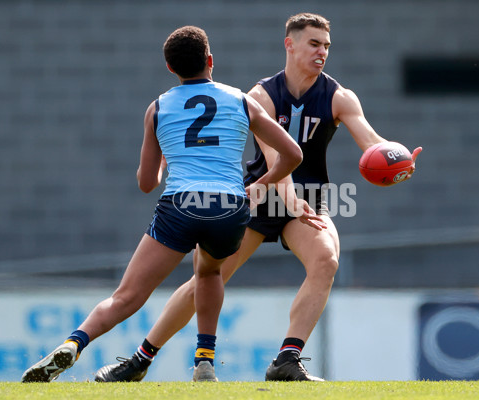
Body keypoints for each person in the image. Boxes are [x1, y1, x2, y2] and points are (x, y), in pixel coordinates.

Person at [94, 13, 422, 383]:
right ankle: (140, 359)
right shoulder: (261, 95)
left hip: (307, 198)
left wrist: (399, 159)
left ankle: (287, 358)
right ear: (290, 44)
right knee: (205, 280)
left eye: (327, 45)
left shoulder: (339, 97)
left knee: (326, 260)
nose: (322, 52)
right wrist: (291, 199)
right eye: (314, 44)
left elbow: (371, 143)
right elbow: (273, 159)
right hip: (256, 195)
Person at [21, 25, 304, 383]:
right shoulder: (241, 100)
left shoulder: (158, 107)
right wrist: (260, 185)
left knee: (127, 296)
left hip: (180, 205)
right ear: (210, 61)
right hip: (230, 207)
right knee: (209, 271)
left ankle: (74, 344)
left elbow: (146, 183)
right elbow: (292, 154)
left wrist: (166, 161)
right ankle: (204, 361)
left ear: (171, 68)